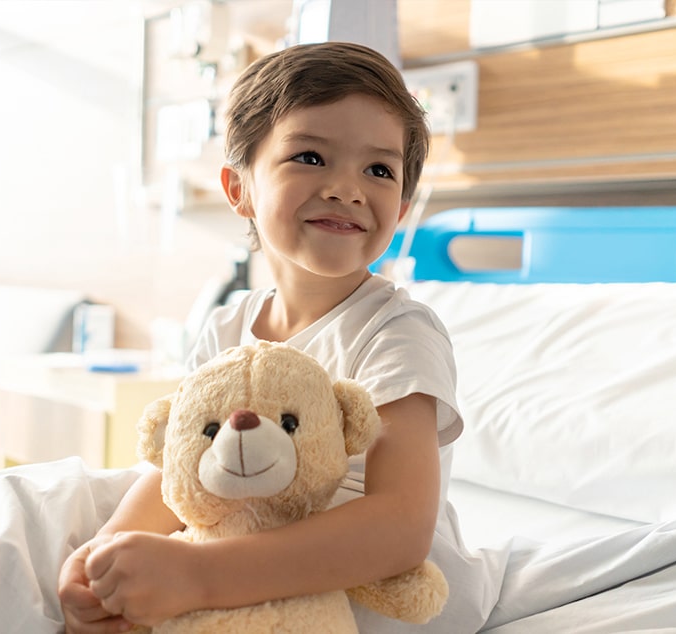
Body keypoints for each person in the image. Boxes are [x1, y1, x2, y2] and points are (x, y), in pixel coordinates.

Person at [59, 41, 490, 633]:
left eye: (379, 169)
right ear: (239, 189)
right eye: (311, 157)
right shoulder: (226, 328)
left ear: (403, 206)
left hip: (377, 591)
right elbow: (181, 472)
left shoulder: (396, 331)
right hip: (247, 561)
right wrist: (102, 557)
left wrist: (195, 574)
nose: (347, 188)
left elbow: (399, 526)